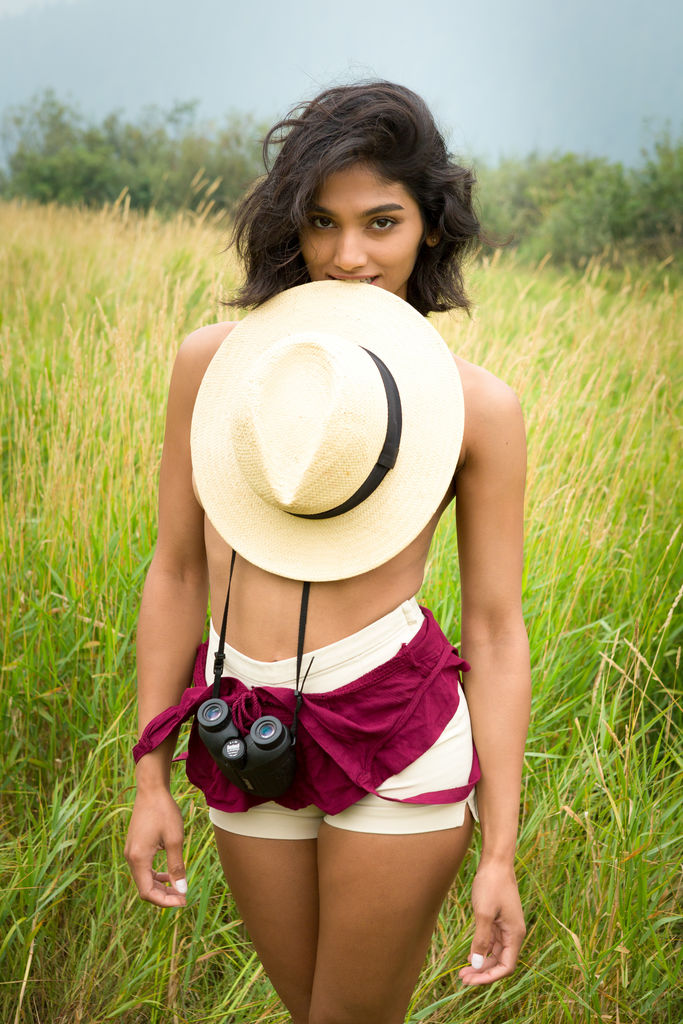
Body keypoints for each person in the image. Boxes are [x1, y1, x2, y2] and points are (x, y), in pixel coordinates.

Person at [124, 80, 530, 1024]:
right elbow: (179, 569)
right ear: (291, 229)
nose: (348, 257)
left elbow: (496, 629)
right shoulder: (212, 365)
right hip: (242, 720)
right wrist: (149, 775)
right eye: (320, 221)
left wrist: (500, 849)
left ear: (431, 227)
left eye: (381, 222)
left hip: (395, 720)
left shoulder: (476, 407)